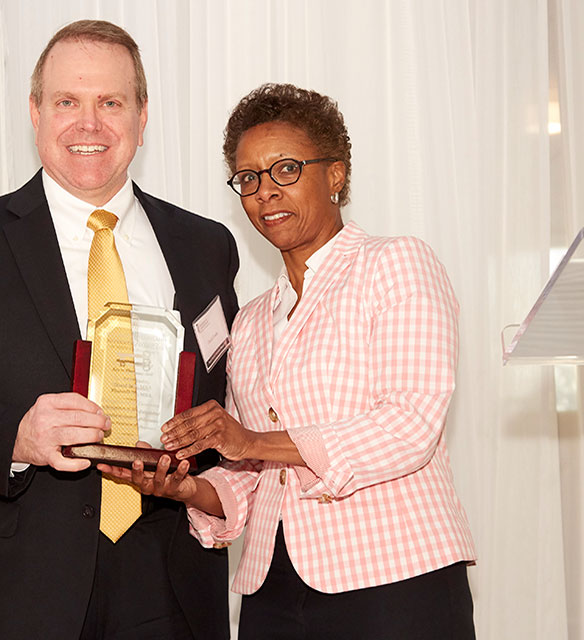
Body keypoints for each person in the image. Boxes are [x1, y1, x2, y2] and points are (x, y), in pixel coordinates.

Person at [0, 20, 238, 640]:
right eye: (68, 101)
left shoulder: (206, 246)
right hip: (12, 590)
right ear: (35, 112)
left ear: (143, 114)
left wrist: (195, 471)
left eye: (111, 102)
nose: (89, 124)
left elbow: (226, 400)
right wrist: (18, 437)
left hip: (170, 588)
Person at [102, 83, 477, 639]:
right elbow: (250, 477)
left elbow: (409, 425)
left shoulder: (395, 264)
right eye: (248, 178)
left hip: (394, 580)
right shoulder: (251, 320)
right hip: (273, 594)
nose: (264, 193)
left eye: (285, 170)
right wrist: (180, 488)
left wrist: (249, 441)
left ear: (335, 175)